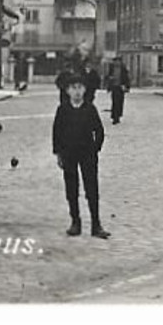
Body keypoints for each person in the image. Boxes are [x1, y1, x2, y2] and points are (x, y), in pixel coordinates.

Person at [52, 74, 110, 238]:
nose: (77, 92)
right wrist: (58, 152)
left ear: (85, 90)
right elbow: (57, 132)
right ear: (68, 91)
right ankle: (75, 222)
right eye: (73, 88)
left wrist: (95, 149)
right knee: (71, 189)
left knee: (92, 188)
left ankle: (96, 225)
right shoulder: (63, 109)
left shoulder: (89, 109)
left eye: (80, 88)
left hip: (87, 154)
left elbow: (99, 131)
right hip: (69, 154)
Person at [104, 56, 128, 125]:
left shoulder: (123, 69)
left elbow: (126, 78)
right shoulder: (112, 68)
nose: (116, 63)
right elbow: (108, 77)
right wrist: (109, 82)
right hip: (114, 87)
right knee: (114, 102)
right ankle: (115, 117)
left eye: (118, 61)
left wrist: (126, 86)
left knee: (120, 102)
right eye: (115, 61)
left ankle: (118, 116)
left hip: (121, 87)